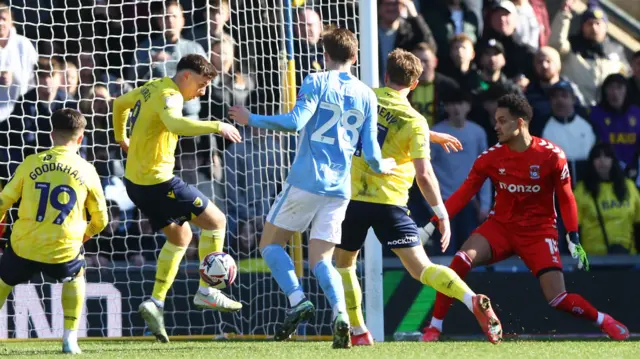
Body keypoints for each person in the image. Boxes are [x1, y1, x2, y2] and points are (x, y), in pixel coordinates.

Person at [228, 28, 395, 349]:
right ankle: (341, 315)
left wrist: (252, 118)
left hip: (306, 180)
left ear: (325, 55)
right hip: (339, 188)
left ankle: (297, 299)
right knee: (321, 259)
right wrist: (382, 167)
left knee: (270, 243)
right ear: (356, 57)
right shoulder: (367, 94)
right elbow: (372, 154)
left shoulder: (315, 81)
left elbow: (294, 123)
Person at [420, 94, 629, 342]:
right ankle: (434, 327)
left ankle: (604, 320)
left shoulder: (552, 156)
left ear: (520, 123)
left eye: (502, 121)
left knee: (558, 299)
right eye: (495, 120)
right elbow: (464, 194)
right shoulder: (490, 157)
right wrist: (433, 223)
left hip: (539, 232)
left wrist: (572, 235)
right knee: (460, 260)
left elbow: (566, 197)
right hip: (501, 227)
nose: (495, 126)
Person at [334, 49, 502, 347]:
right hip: (392, 205)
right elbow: (424, 174)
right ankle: (470, 298)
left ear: (386, 76)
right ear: (415, 85)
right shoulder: (415, 122)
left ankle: (358, 331)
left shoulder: (365, 97)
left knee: (344, 264)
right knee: (422, 269)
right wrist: (442, 213)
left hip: (355, 199)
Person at [112, 54, 243, 343]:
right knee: (216, 222)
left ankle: (156, 302)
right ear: (186, 76)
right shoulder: (171, 96)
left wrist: (121, 137)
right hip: (159, 183)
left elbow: (119, 104)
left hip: (136, 184)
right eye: (201, 83)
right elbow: (176, 125)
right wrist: (216, 125)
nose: (203, 91)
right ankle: (208, 290)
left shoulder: (153, 86)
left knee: (180, 239)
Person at [0, 108, 109, 354]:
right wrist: (84, 235)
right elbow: (101, 219)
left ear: (51, 135)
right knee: (76, 277)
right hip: (64, 249)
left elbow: (3, 201)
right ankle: (70, 339)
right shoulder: (87, 170)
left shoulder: (31, 163)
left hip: (24, 246)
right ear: (80, 138)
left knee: (3, 281)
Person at [574, 143, 640, 255]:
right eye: (597, 157)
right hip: (594, 259)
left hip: (629, 257)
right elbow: (573, 229)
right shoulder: (581, 190)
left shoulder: (629, 186)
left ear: (613, 160)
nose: (602, 161)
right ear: (592, 161)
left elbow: (638, 222)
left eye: (606, 156)